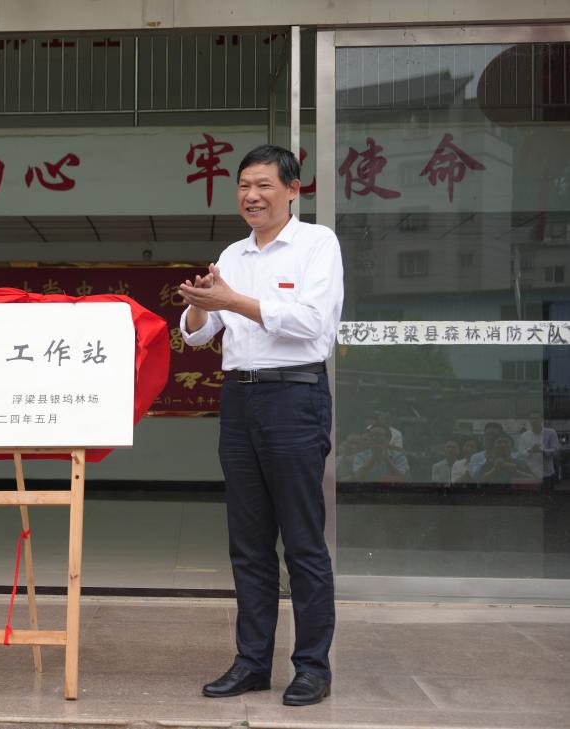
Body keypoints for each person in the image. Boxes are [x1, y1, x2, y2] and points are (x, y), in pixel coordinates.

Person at [179, 144, 343, 707]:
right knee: (248, 544)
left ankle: (312, 667)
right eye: (244, 186)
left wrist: (233, 299)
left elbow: (312, 324)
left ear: (293, 190)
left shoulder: (317, 244)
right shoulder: (233, 252)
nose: (252, 196)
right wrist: (201, 303)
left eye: (264, 185)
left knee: (302, 542)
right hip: (240, 400)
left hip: (295, 397)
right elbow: (198, 334)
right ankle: (251, 663)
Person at [517, 411, 559, 485]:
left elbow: (556, 450)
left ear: (541, 419)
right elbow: (520, 453)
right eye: (531, 418)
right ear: (529, 420)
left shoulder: (551, 433)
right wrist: (530, 450)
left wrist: (542, 451)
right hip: (529, 473)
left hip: (547, 473)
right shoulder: (524, 435)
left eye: (536, 418)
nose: (533, 420)